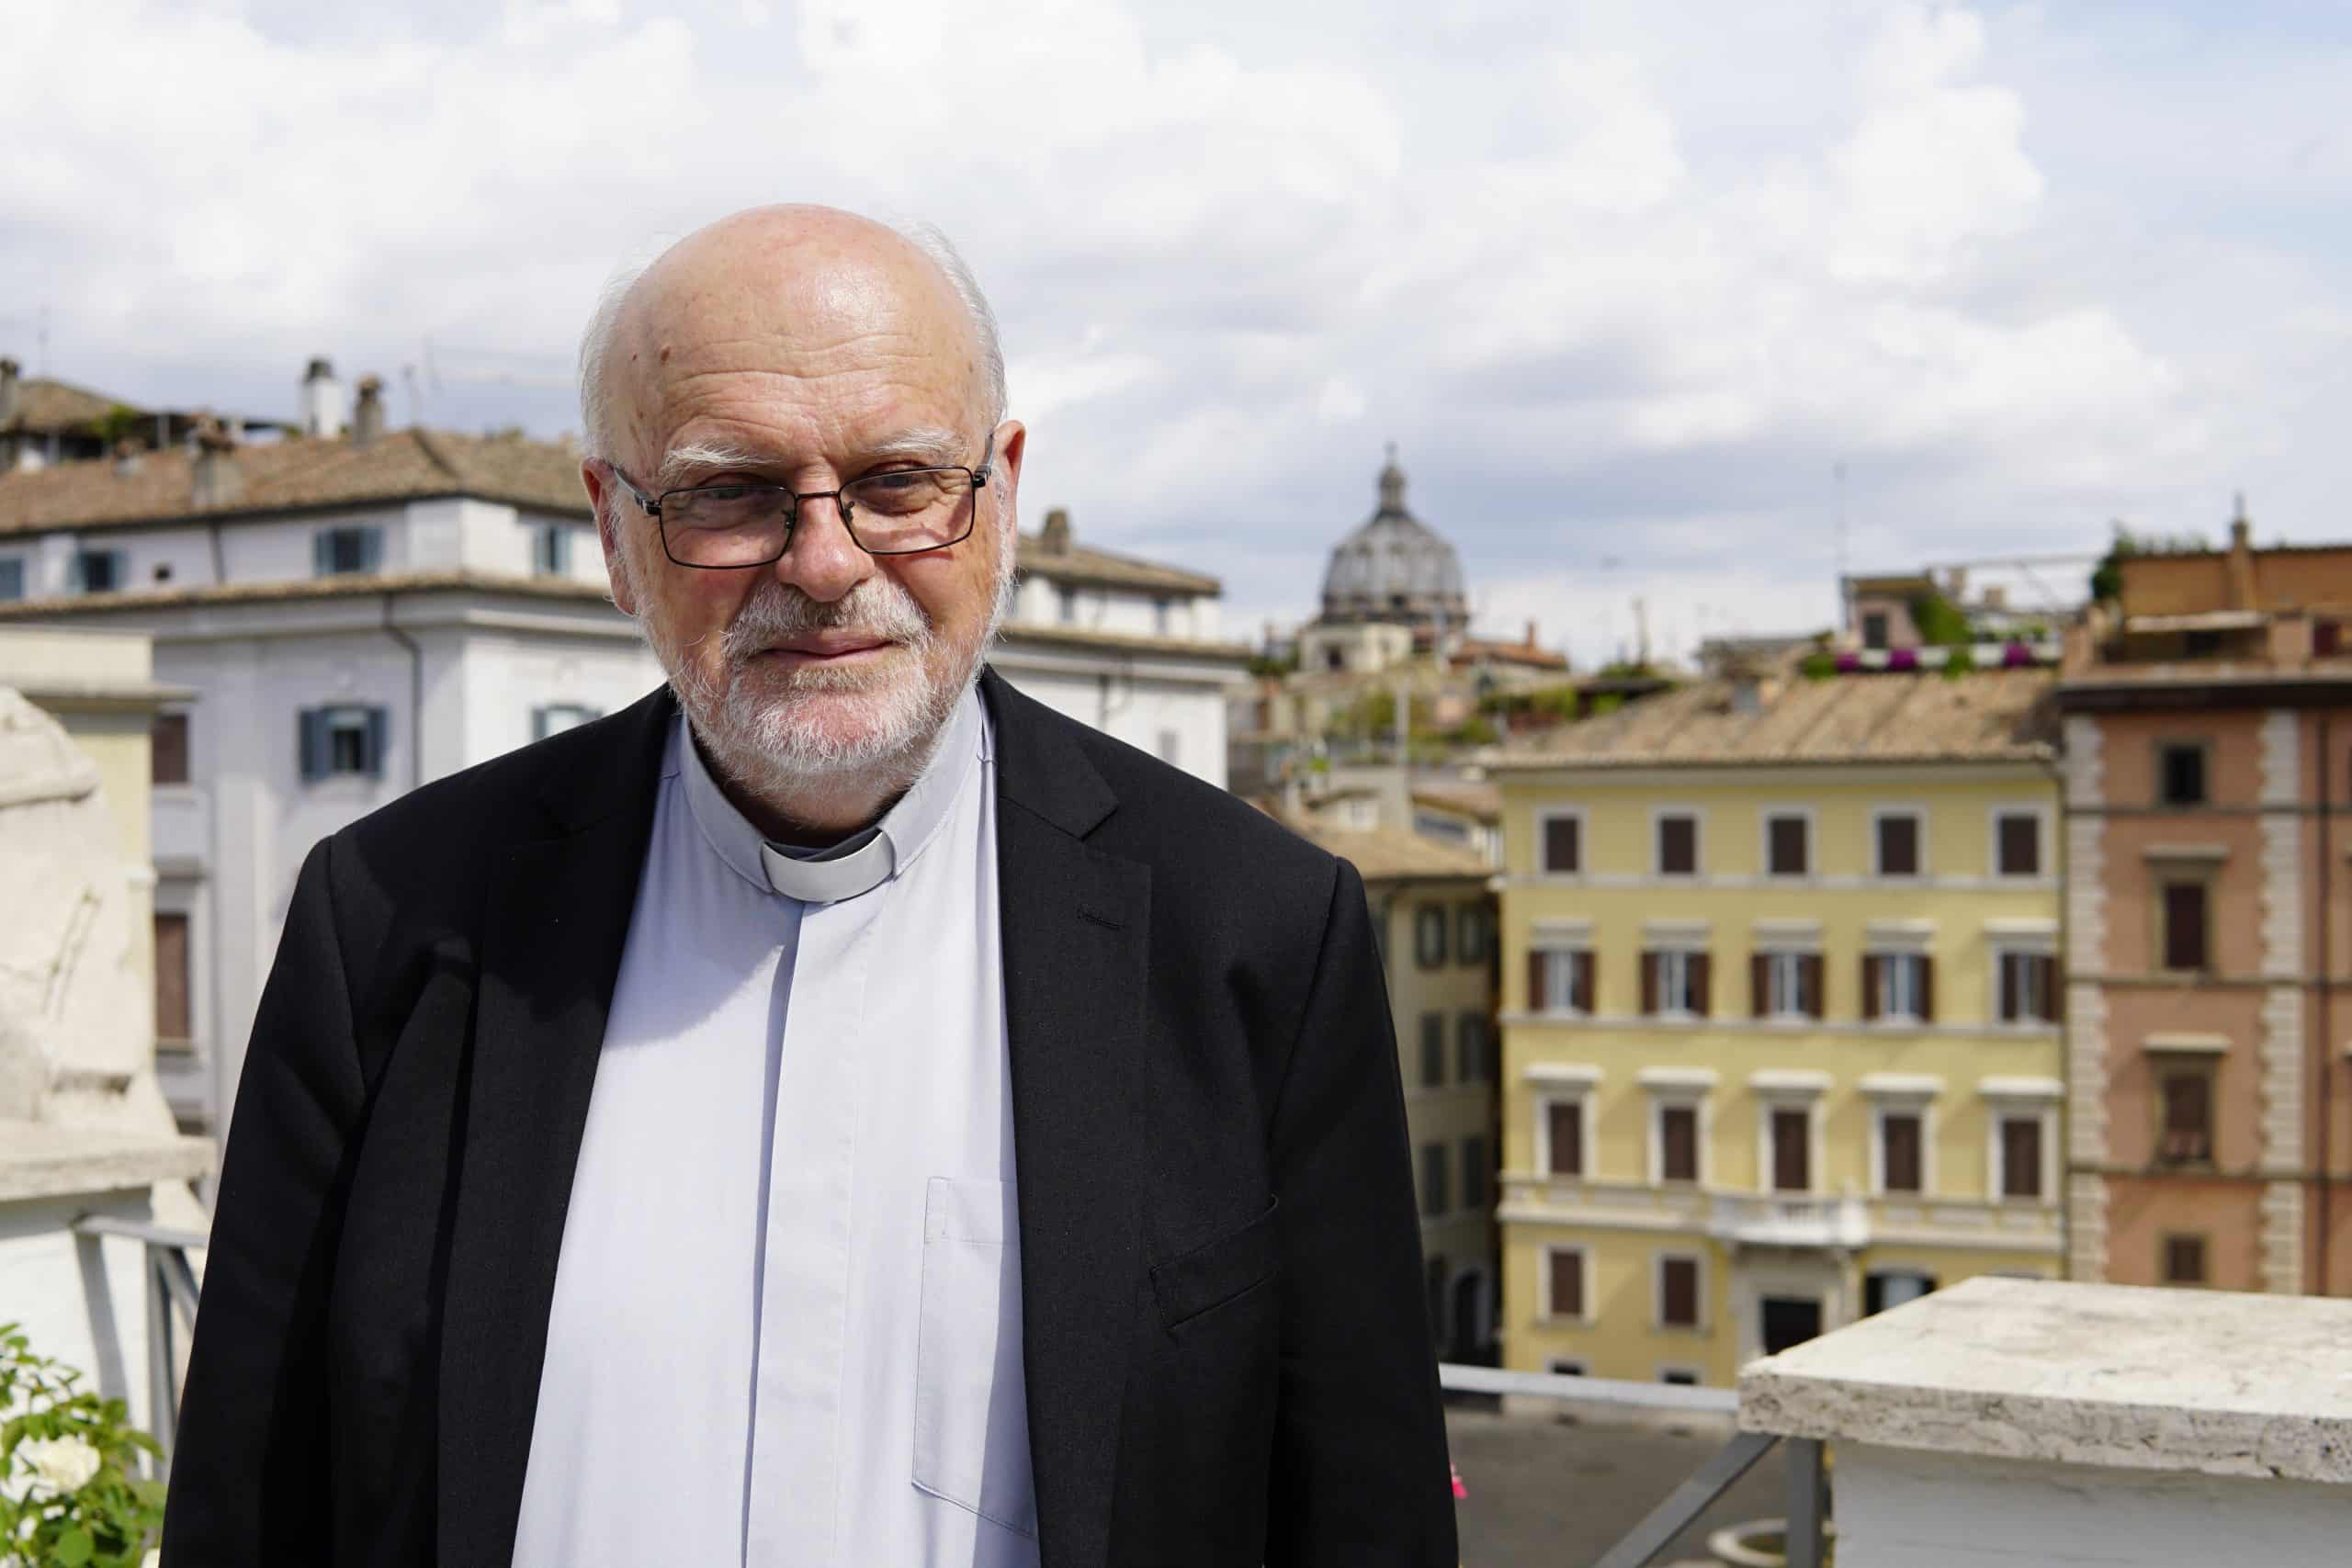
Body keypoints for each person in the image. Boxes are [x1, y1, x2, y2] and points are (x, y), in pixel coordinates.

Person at [161, 205, 1455, 1567]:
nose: (826, 563)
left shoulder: (1255, 933)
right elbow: (252, 1511)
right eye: (731, 492)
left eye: (898, 480)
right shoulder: (388, 923)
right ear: (614, 527)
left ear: (999, 494)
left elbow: (1365, 1524)